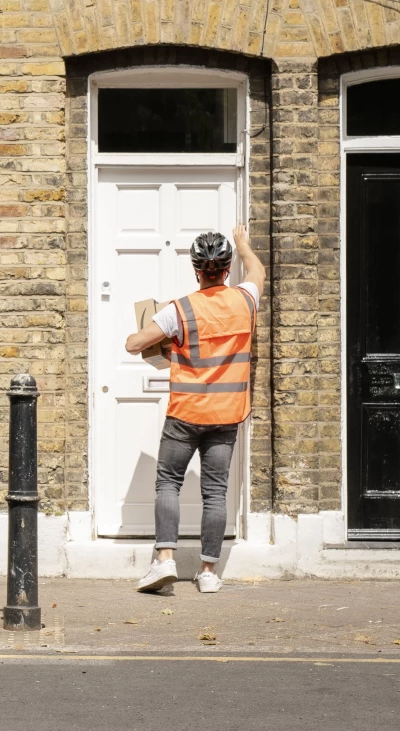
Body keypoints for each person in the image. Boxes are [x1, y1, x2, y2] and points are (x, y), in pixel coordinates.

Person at [123, 224, 264, 594]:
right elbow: (258, 272)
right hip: (227, 414)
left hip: (185, 414)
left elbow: (134, 344)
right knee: (215, 492)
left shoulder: (180, 310)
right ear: (227, 267)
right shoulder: (246, 300)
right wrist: (244, 243)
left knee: (168, 482)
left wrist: (168, 340)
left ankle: (165, 561)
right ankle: (208, 572)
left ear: (197, 269)